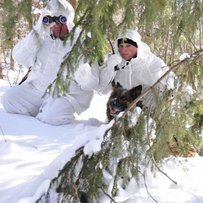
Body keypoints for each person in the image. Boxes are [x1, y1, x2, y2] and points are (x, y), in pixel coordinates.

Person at [1, 0, 98, 125]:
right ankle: (42, 109)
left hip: (64, 95)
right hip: (37, 89)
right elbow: (18, 57)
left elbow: (90, 82)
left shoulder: (80, 42)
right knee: (9, 99)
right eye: (52, 20)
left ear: (68, 21)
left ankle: (49, 112)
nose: (56, 25)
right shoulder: (41, 38)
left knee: (52, 118)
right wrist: (36, 31)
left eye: (60, 20)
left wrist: (84, 72)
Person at [97, 29, 175, 110]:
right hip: (122, 112)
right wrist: (110, 68)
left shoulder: (150, 61)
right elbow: (101, 90)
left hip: (148, 111)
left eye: (128, 46)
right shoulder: (116, 62)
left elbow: (172, 80)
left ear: (137, 46)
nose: (123, 50)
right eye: (121, 46)